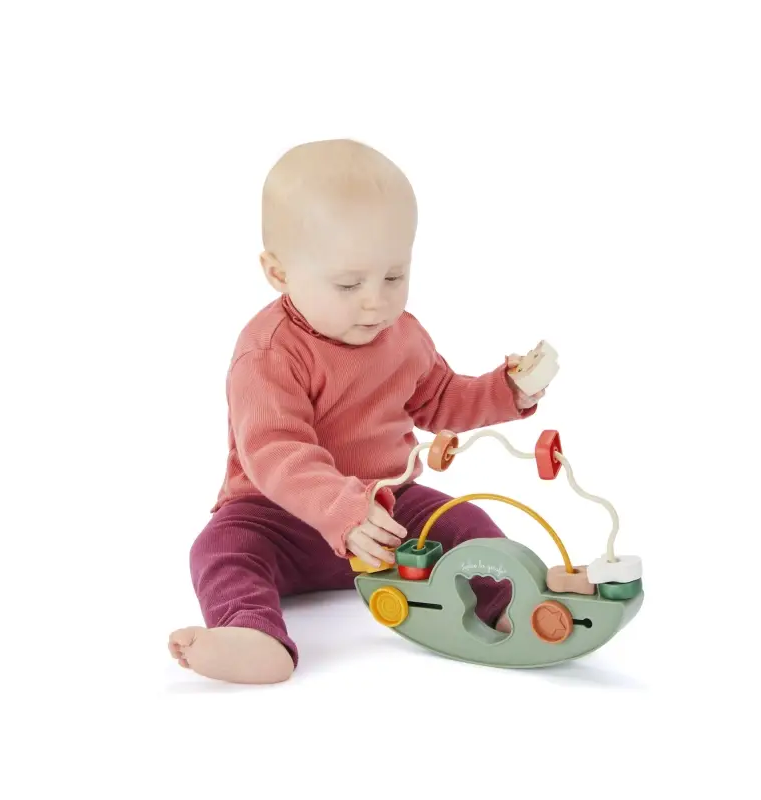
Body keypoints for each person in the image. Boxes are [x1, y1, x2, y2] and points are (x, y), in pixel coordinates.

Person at [168, 139, 545, 683]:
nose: (377, 300)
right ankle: (251, 631)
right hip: (279, 517)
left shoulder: (402, 335)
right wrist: (342, 510)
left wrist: (506, 392)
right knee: (221, 549)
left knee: (465, 522)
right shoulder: (269, 352)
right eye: (349, 284)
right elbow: (275, 450)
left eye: (394, 276)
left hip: (389, 510)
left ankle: (509, 605)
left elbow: (439, 397)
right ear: (278, 273)